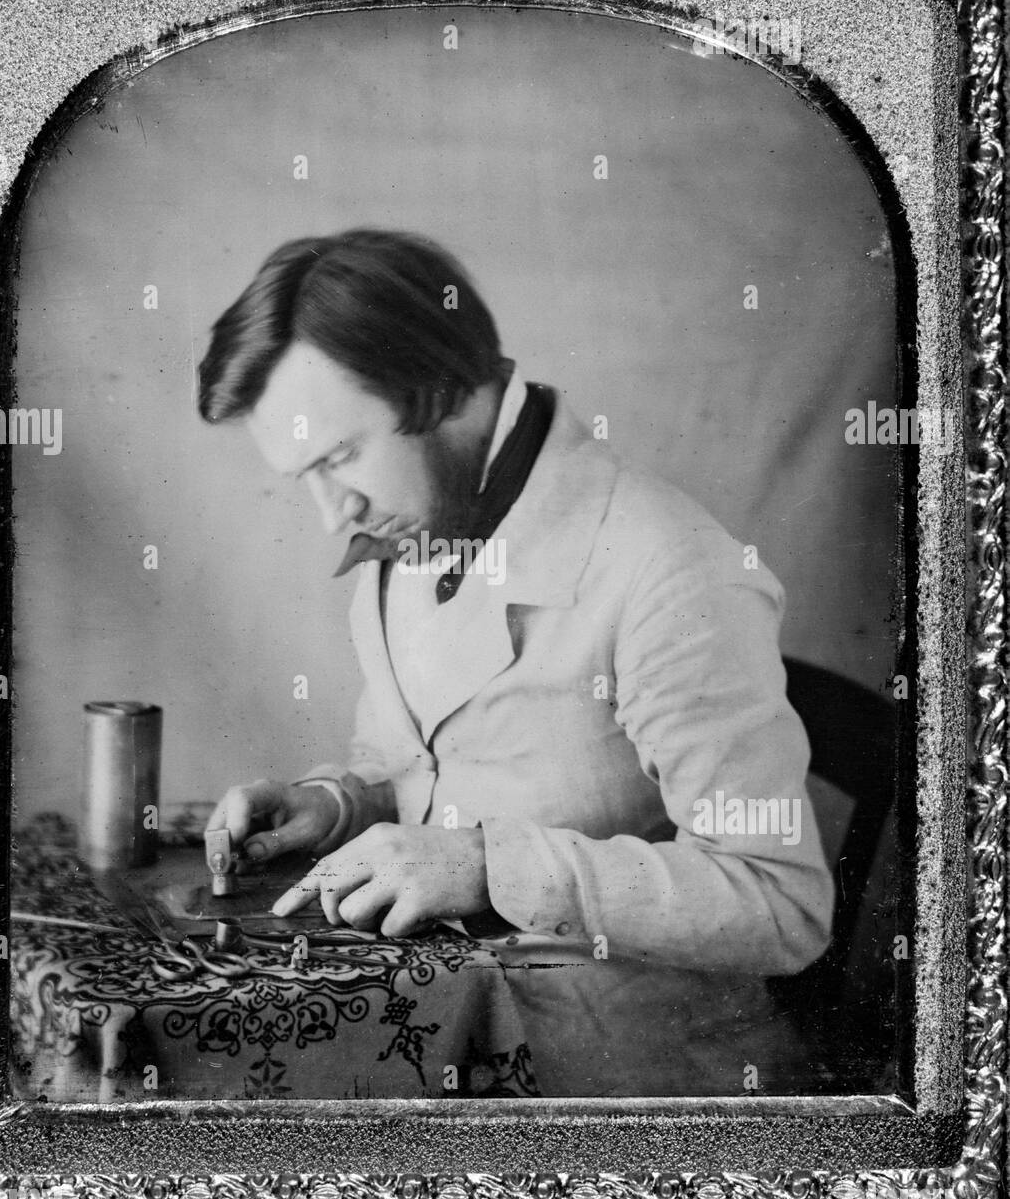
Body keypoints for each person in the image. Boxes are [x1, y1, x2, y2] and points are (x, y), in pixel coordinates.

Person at [198, 228, 834, 1095]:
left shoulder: (666, 566)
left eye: (341, 456)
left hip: (638, 1091)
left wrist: (492, 868)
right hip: (450, 1044)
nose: (329, 514)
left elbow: (779, 903)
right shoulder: (412, 524)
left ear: (441, 390)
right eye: (303, 476)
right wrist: (337, 804)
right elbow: (437, 770)